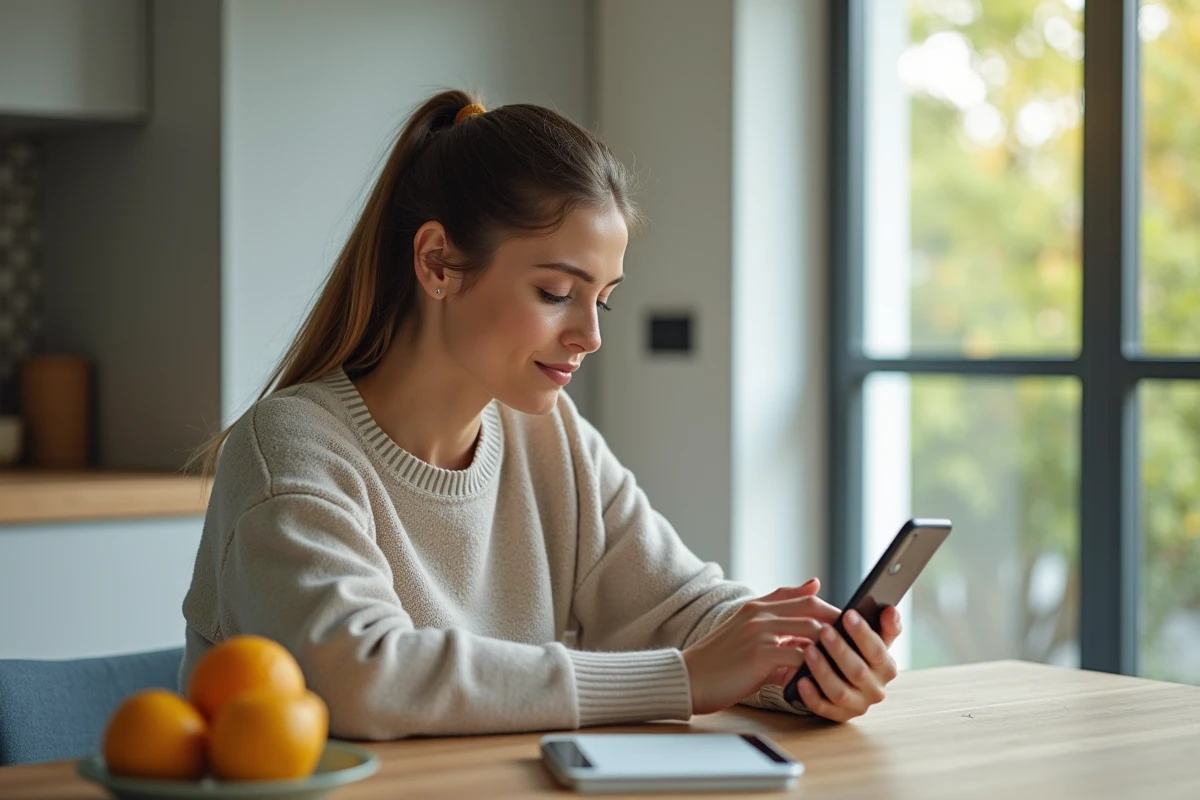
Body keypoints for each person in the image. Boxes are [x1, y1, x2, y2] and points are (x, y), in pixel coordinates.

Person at [181, 90, 901, 740]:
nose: (591, 335)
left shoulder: (550, 438)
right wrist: (682, 680)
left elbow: (681, 609)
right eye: (558, 291)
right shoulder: (289, 451)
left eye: (604, 298)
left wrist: (798, 670)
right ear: (436, 263)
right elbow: (364, 675)